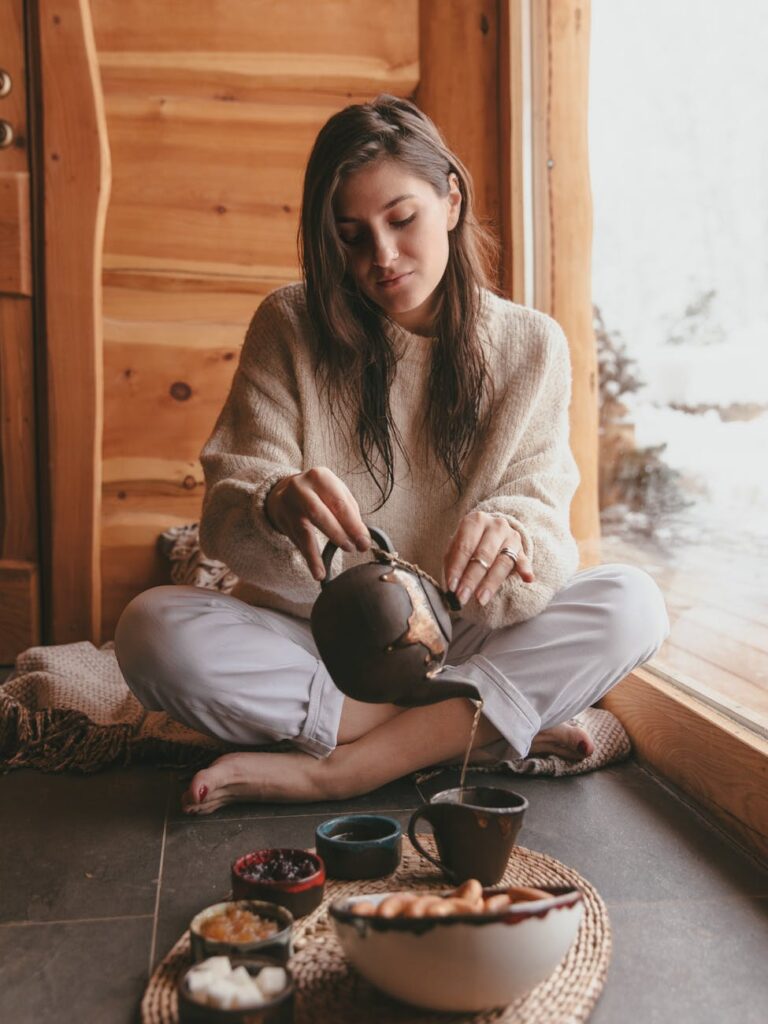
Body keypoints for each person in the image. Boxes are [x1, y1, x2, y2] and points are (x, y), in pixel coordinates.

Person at [114, 95, 669, 815]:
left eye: (402, 219)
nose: (382, 257)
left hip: (461, 631)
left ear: (451, 200)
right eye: (351, 236)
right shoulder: (289, 323)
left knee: (633, 605)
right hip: (320, 638)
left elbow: (544, 535)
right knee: (150, 631)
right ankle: (477, 729)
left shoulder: (532, 346)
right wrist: (274, 504)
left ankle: (342, 770)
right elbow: (226, 513)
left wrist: (513, 532)